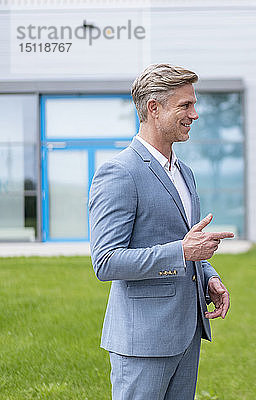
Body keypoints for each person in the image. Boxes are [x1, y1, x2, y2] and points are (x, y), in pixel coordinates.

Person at [89, 63, 234, 400]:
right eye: (185, 105)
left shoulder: (184, 172)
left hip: (187, 334)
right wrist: (183, 252)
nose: (195, 114)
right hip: (142, 343)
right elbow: (106, 261)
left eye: (193, 104)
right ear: (154, 108)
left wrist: (208, 274)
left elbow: (184, 241)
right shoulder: (119, 173)